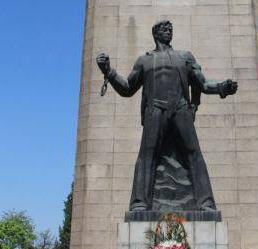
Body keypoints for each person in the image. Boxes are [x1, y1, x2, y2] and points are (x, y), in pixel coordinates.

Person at [96, 20, 238, 212]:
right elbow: (128, 89)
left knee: (193, 153)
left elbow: (202, 84)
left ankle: (206, 203)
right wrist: (109, 72)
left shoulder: (185, 57)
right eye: (164, 29)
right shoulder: (144, 61)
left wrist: (222, 87)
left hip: (180, 109)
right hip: (155, 110)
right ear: (155, 33)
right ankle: (140, 203)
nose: (168, 31)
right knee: (147, 155)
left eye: (170, 29)